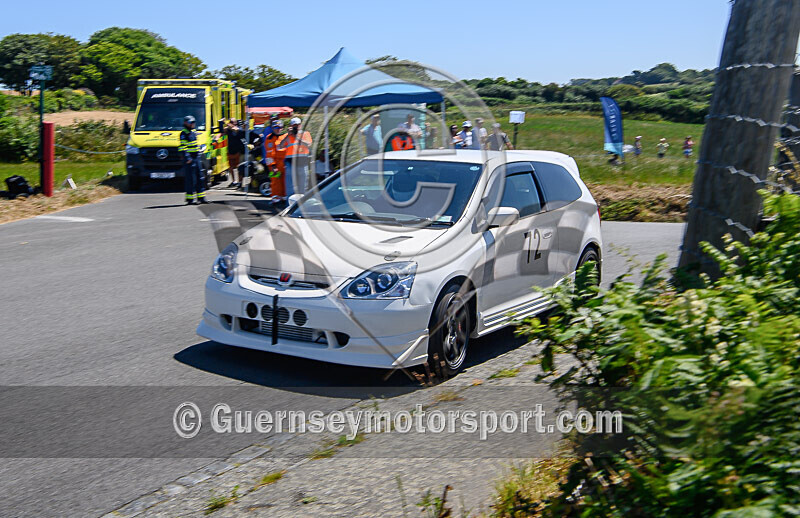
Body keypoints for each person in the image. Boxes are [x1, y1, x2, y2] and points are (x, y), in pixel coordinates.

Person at [277, 117, 313, 197]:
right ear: (291, 126)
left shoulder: (305, 134)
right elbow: (280, 146)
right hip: (290, 162)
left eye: (297, 125)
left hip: (302, 162)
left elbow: (308, 144)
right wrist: (288, 135)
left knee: (302, 185)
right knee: (290, 186)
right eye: (294, 125)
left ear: (300, 125)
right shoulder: (286, 135)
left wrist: (296, 136)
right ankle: (289, 202)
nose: (296, 127)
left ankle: (302, 202)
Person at [179, 115, 208, 205]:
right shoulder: (184, 134)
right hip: (190, 159)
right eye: (191, 122)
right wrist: (187, 158)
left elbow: (195, 144)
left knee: (200, 178)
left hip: (196, 157)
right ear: (186, 123)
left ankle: (201, 198)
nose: (193, 124)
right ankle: (190, 199)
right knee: (191, 179)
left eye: (194, 122)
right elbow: (182, 147)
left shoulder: (193, 132)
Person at [264, 119, 286, 201]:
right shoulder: (269, 138)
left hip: (284, 163)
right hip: (274, 164)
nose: (278, 129)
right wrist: (272, 166)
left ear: (282, 128)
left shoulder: (285, 137)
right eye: (276, 127)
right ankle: (275, 197)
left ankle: (284, 197)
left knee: (285, 181)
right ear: (272, 128)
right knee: (275, 181)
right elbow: (269, 153)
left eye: (280, 127)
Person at [225, 119, 246, 187]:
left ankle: (239, 182)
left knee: (239, 167)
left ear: (236, 123)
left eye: (232, 122)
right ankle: (234, 181)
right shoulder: (228, 130)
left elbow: (236, 130)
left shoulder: (239, 129)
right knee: (231, 167)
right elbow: (222, 132)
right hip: (230, 150)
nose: (231, 123)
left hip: (238, 151)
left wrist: (228, 124)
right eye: (230, 122)